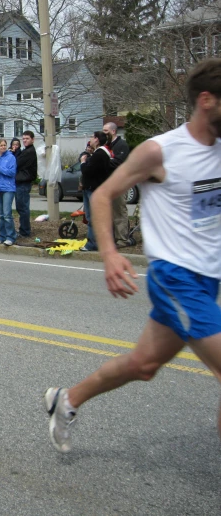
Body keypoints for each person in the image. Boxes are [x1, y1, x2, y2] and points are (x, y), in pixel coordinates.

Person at [44, 58, 221, 454]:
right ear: (207, 100)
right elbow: (105, 194)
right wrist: (109, 254)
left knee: (143, 366)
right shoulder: (160, 151)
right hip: (177, 278)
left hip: (209, 280)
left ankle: (66, 400)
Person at [79, 131, 113, 252]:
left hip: (94, 189)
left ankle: (92, 243)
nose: (90, 139)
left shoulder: (99, 154)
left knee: (92, 217)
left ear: (97, 139)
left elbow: (87, 171)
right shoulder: (99, 153)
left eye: (92, 137)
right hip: (93, 188)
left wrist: (83, 161)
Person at [103, 122, 133, 247]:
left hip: (119, 183)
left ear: (113, 131)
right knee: (109, 212)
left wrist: (103, 161)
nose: (104, 133)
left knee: (119, 211)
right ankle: (113, 237)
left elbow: (118, 162)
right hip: (107, 183)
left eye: (106, 131)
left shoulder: (121, 145)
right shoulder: (106, 145)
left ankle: (122, 239)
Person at [15, 131, 37, 239]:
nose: (25, 140)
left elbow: (17, 163)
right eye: (23, 139)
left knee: (22, 207)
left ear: (33, 139)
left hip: (24, 183)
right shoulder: (26, 151)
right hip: (21, 182)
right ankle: (24, 229)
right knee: (21, 207)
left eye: (27, 138)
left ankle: (25, 231)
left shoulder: (29, 152)